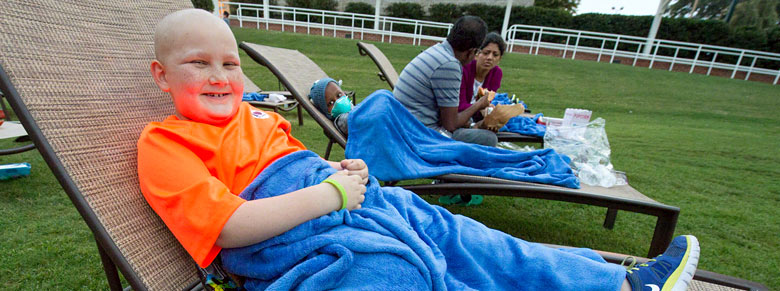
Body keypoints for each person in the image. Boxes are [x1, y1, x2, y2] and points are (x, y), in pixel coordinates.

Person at [137, 9, 700, 291]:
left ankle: (622, 284)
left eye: (230, 63)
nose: (219, 76)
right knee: (396, 272)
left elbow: (298, 166)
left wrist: (337, 169)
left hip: (343, 198)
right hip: (288, 232)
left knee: (463, 236)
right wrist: (331, 193)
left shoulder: (256, 116)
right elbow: (231, 227)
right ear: (163, 76)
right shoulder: (164, 143)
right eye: (198, 64)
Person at [393, 16, 497, 147]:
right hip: (420, 134)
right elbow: (451, 124)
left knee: (471, 126)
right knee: (488, 139)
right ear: (471, 52)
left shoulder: (438, 51)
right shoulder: (449, 64)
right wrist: (479, 104)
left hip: (404, 124)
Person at [459, 32, 506, 121]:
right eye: (486, 53)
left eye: (495, 55)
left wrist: (488, 109)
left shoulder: (496, 74)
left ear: (499, 59)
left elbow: (486, 102)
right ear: (477, 54)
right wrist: (480, 108)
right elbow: (459, 105)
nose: (490, 58)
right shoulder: (464, 69)